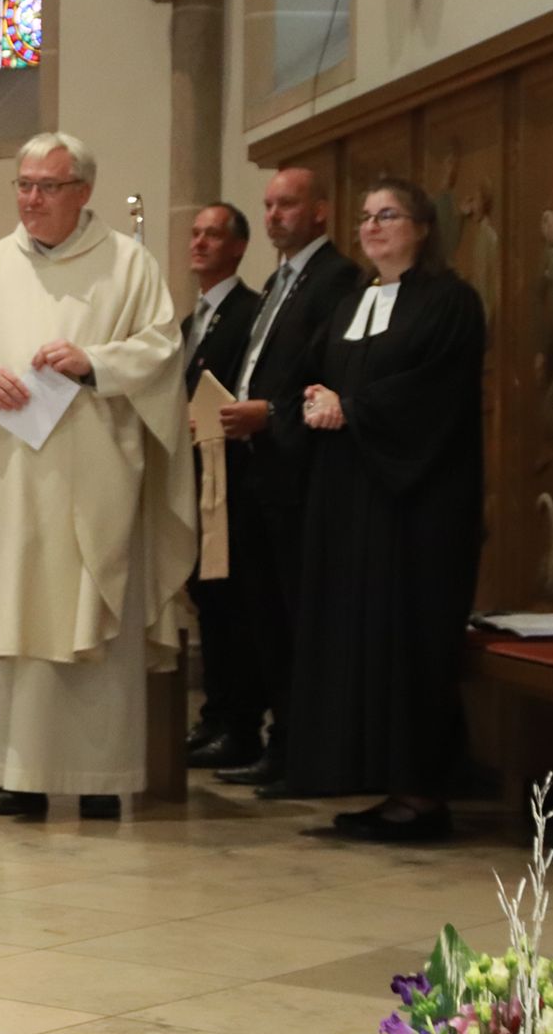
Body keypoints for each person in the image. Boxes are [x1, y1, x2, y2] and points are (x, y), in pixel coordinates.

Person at [0, 132, 195, 820]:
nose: (31, 199)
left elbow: (162, 350)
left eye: (47, 186)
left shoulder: (129, 265)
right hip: (9, 476)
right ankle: (14, 775)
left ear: (83, 191)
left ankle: (100, 776)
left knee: (91, 614)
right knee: (11, 608)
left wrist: (94, 362)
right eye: (23, 185)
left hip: (94, 473)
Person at [289, 179, 484, 841]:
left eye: (388, 215)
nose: (372, 226)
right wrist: (316, 395)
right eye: (366, 216)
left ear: (423, 227)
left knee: (410, 638)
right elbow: (320, 370)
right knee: (361, 636)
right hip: (353, 498)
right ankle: (383, 781)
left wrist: (352, 408)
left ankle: (422, 796)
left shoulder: (451, 301)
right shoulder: (355, 300)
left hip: (416, 504)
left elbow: (431, 391)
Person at [213, 167, 358, 793]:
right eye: (269, 205)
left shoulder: (337, 279)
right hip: (257, 468)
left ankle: (305, 749)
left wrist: (270, 414)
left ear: (320, 210)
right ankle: (280, 740)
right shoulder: (278, 280)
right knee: (263, 617)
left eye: (288, 204)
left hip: (299, 475)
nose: (274, 215)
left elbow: (329, 373)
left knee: (297, 619)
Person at [176, 203, 264, 771]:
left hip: (235, 476)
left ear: (238, 247)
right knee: (208, 599)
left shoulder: (250, 312)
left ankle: (241, 723)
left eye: (213, 234)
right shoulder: (192, 321)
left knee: (236, 605)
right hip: (197, 473)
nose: (200, 242)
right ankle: (214, 716)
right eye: (196, 233)